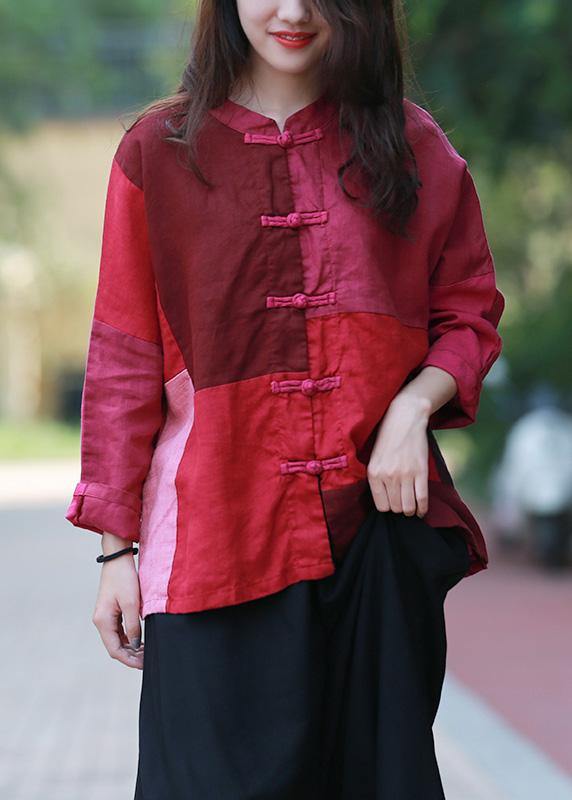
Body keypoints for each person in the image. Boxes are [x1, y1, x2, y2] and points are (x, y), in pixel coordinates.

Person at [65, 1, 505, 797]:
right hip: (210, 549)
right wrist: (115, 553)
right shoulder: (158, 153)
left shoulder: (409, 145)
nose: (295, 11)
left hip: (372, 545)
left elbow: (468, 310)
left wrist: (413, 407)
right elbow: (125, 362)